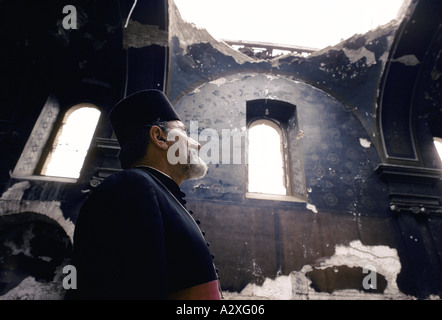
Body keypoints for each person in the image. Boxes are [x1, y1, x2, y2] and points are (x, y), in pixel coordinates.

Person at [66, 89, 221, 300]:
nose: (197, 144)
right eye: (185, 132)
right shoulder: (132, 186)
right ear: (160, 137)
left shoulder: (159, 191)